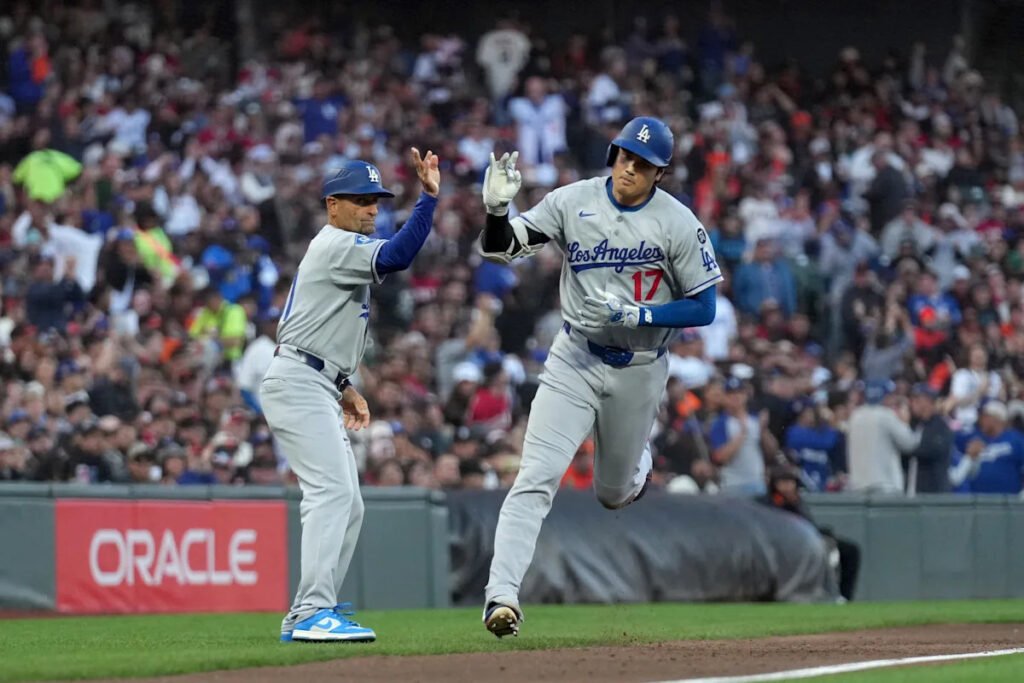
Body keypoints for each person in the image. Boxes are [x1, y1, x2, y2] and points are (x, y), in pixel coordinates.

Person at [477, 116, 722, 638]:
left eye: (642, 164)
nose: (629, 168)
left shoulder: (677, 222)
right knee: (535, 477)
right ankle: (501, 596)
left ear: (660, 173)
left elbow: (704, 307)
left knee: (612, 493)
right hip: (575, 358)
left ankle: (637, 462)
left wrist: (643, 314)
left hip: (639, 366)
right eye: (624, 156)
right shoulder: (573, 201)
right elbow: (503, 248)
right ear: (613, 153)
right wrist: (498, 210)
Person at [262, 149, 440, 643]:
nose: (369, 210)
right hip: (298, 381)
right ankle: (309, 611)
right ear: (332, 204)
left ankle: (315, 607)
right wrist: (427, 199)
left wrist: (343, 385)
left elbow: (317, 328)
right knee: (331, 493)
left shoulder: (342, 246)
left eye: (375, 202)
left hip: (316, 378)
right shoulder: (335, 243)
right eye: (359, 200)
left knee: (351, 503)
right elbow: (400, 255)